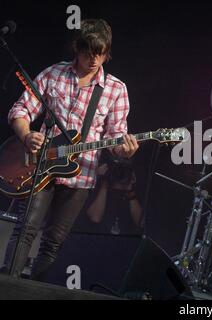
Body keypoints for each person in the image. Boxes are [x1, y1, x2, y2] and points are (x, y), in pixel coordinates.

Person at [1, 19, 139, 280]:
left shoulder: (116, 89)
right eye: (89, 53)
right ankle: (8, 289)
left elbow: (116, 137)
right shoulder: (54, 74)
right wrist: (27, 133)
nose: (94, 60)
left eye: (101, 54)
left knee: (53, 241)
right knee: (26, 229)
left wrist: (125, 150)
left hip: (81, 175)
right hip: (41, 165)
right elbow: (21, 110)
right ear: (77, 48)